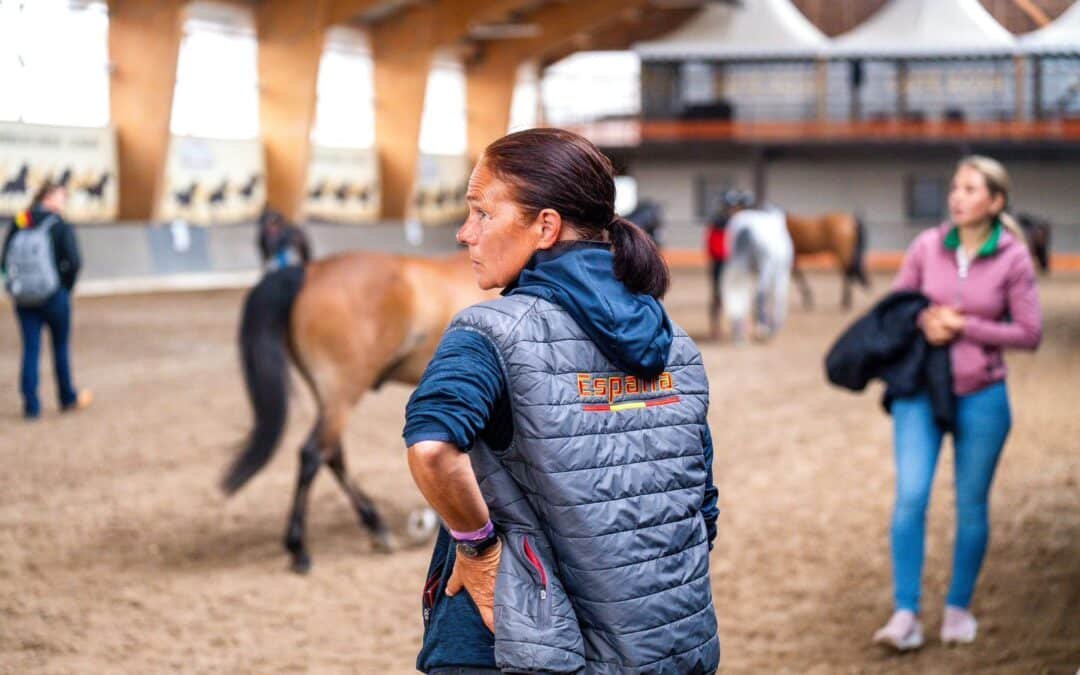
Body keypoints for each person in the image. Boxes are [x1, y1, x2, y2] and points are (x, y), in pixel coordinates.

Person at [404, 128, 720, 674]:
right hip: (670, 644)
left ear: (545, 226)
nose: (465, 233)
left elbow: (432, 448)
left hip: (513, 645)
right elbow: (700, 506)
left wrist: (479, 550)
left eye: (482, 213)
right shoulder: (676, 343)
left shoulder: (490, 332)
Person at [873, 156, 1042, 650]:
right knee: (910, 498)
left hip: (984, 395)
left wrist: (965, 325)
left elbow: (1030, 333)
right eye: (955, 187)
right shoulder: (927, 245)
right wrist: (925, 319)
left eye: (970, 189)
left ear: (996, 201)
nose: (957, 196)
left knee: (971, 506)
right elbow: (896, 309)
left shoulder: (1013, 256)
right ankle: (905, 614)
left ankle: (957, 608)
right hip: (921, 392)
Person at [1, 181, 92, 419]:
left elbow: (4, 260)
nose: (64, 202)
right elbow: (74, 262)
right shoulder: (58, 224)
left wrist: (12, 285)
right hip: (54, 297)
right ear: (49, 196)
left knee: (31, 348)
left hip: (24, 297)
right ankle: (66, 397)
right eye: (62, 196)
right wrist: (65, 287)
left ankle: (31, 405)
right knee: (60, 347)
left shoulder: (22, 220)